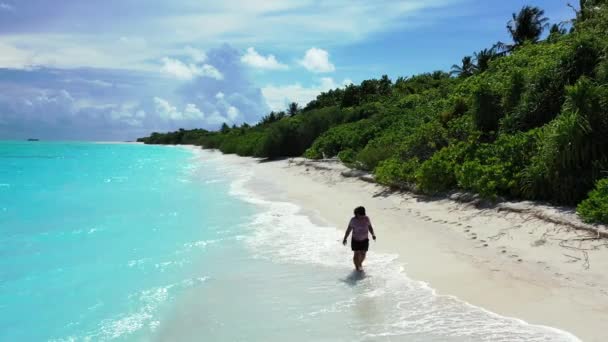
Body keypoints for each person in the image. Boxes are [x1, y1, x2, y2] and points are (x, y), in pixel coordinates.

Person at [342, 206, 376, 271]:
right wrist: (345, 238)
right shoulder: (353, 220)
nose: (362, 216)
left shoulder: (366, 219)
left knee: (363, 253)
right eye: (361, 215)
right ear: (357, 214)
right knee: (356, 254)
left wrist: (373, 234)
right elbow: (348, 230)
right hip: (355, 240)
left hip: (365, 240)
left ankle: (360, 263)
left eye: (363, 215)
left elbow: (370, 227)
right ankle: (357, 268)